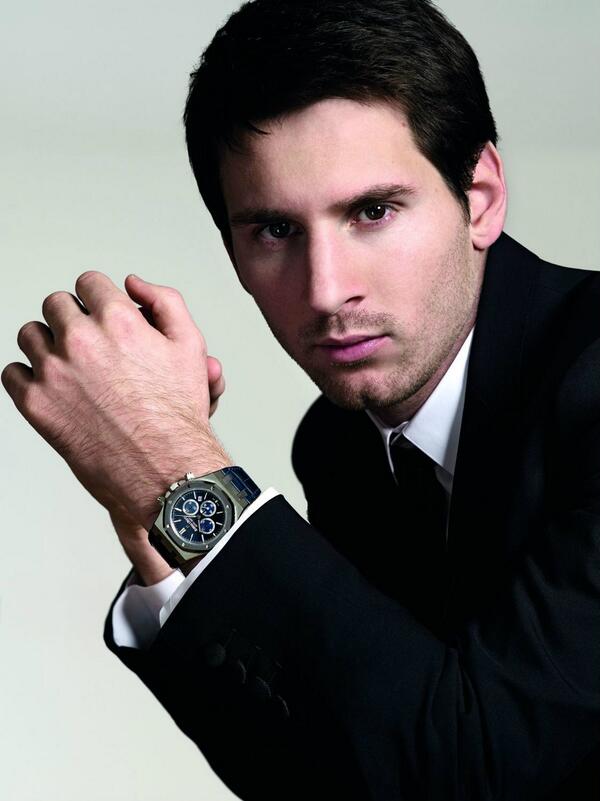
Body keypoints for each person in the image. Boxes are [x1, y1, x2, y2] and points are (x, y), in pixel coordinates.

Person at [3, 0, 599, 798]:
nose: (326, 291)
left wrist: (176, 468)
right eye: (275, 231)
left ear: (482, 197)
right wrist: (149, 503)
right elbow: (335, 775)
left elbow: (473, 768)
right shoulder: (338, 443)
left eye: (373, 212)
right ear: (233, 250)